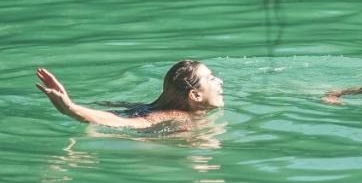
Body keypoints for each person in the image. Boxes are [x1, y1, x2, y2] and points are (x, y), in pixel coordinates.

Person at [34, 61, 224, 128]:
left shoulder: (188, 114)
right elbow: (127, 123)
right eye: (211, 78)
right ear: (195, 95)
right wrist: (71, 109)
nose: (220, 81)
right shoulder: (177, 116)